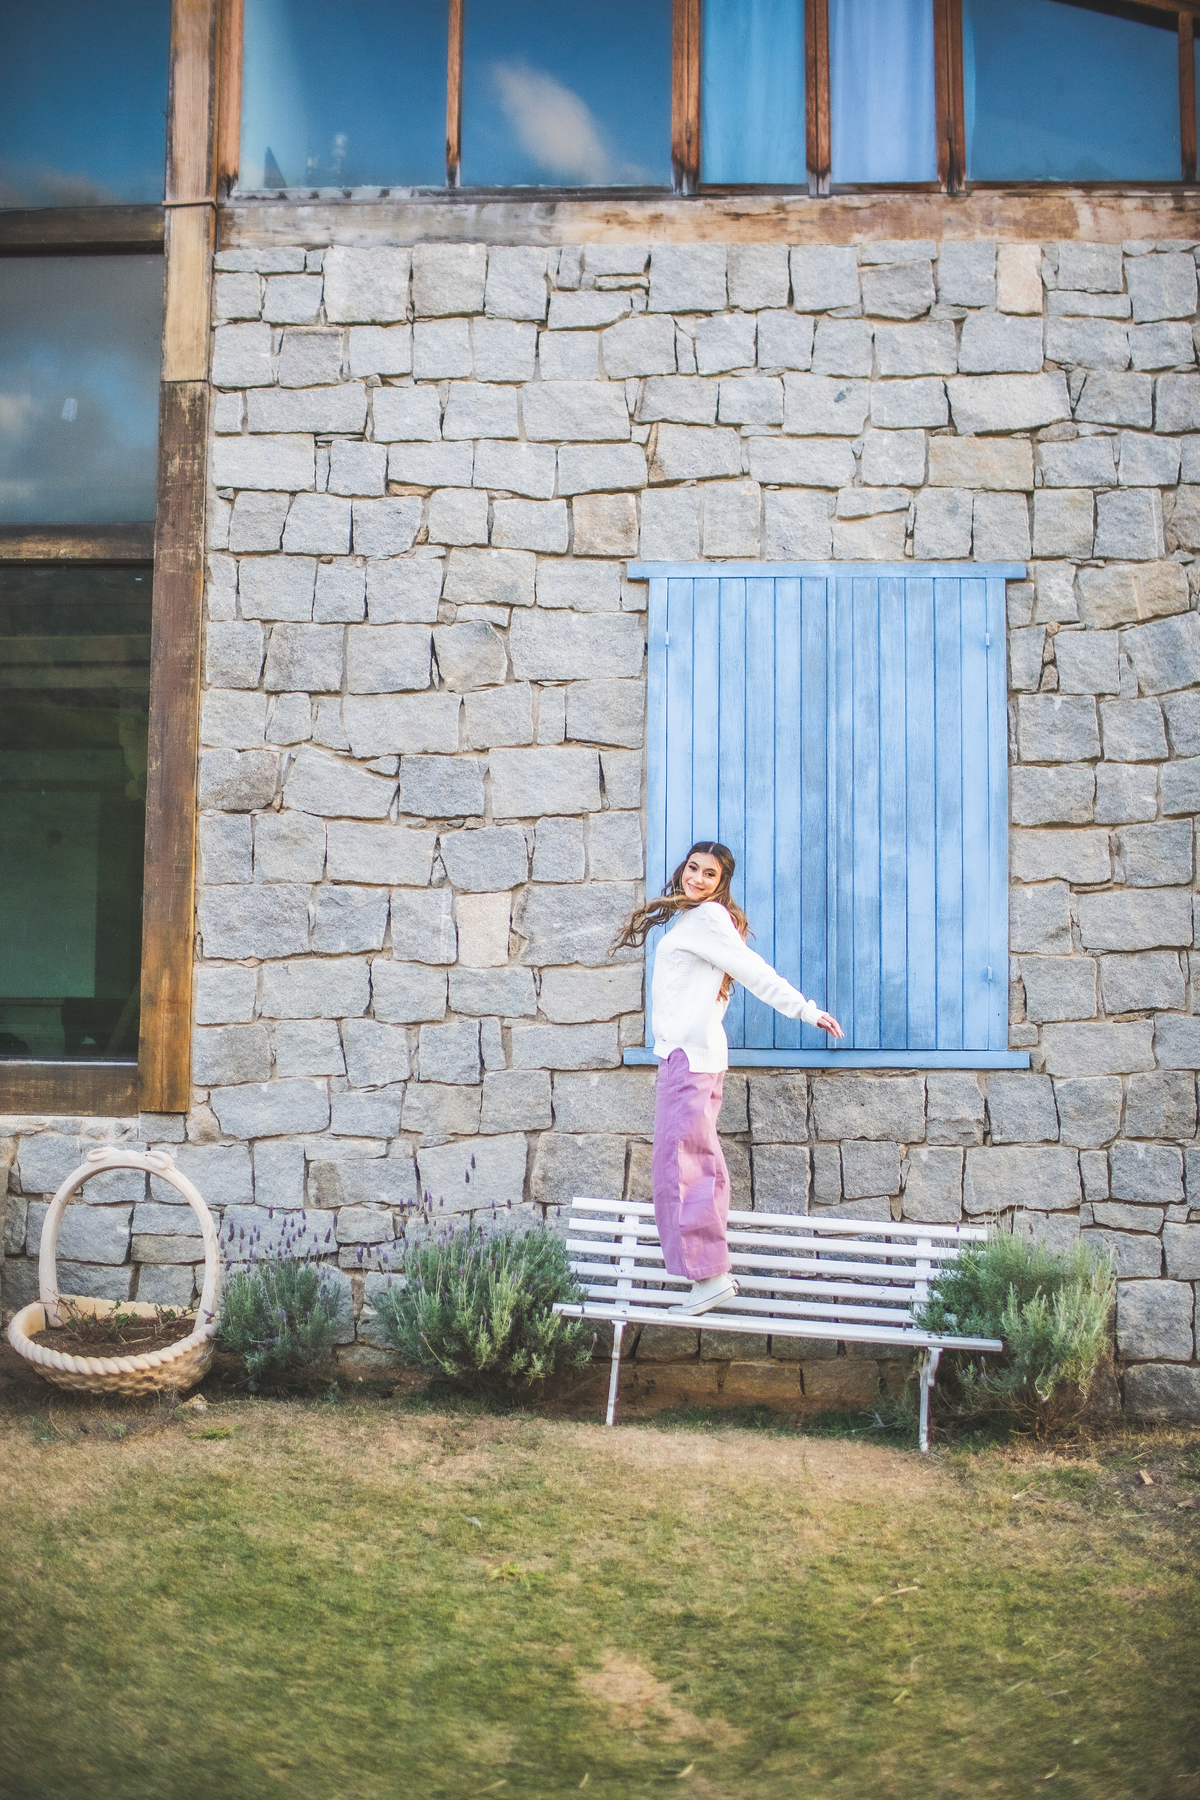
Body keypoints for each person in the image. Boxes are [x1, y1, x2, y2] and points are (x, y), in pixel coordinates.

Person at [614, 842, 844, 1317]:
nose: (697, 879)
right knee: (698, 1164)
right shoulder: (696, 919)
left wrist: (806, 1010)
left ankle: (710, 1278)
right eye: (693, 868)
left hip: (688, 1060)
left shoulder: (707, 919)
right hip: (692, 1057)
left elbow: (754, 971)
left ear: (722, 883)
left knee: (681, 1168)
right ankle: (710, 1274)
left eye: (709, 874)